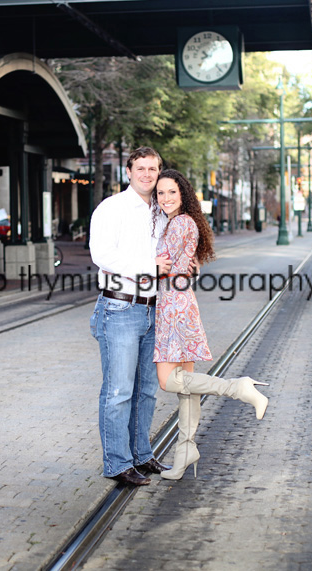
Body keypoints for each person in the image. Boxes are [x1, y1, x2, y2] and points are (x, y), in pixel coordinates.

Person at [152, 169, 269, 480]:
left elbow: (159, 266)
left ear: (183, 195)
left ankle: (237, 388)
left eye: (171, 193)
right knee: (186, 389)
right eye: (160, 193)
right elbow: (183, 266)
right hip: (180, 303)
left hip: (174, 308)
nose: (165, 198)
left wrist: (146, 265)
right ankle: (185, 450)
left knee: (168, 381)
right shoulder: (184, 222)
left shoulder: (179, 224)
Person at [89, 147, 173, 486]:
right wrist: (148, 268)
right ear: (128, 171)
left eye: (153, 168)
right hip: (120, 307)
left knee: (147, 391)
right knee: (119, 391)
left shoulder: (163, 212)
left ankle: (142, 454)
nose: (147, 174)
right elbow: (102, 254)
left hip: (154, 309)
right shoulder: (112, 208)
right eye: (141, 168)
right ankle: (117, 463)